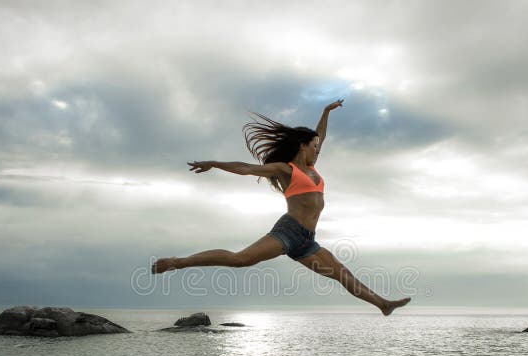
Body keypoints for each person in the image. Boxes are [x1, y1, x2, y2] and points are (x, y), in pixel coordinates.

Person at [152, 99, 411, 316]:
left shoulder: (311, 167)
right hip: (288, 231)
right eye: (313, 146)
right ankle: (178, 262)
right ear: (302, 145)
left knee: (342, 274)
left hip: (307, 241)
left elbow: (320, 135)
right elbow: (246, 168)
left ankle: (383, 305)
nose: (317, 150)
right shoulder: (286, 170)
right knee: (240, 259)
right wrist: (215, 163)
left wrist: (325, 112)